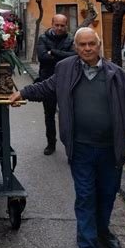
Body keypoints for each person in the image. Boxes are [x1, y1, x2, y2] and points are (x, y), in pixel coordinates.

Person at [10, 27, 125, 248]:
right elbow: (47, 87)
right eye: (81, 45)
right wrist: (23, 93)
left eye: (91, 44)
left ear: (99, 44)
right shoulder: (66, 69)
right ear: (76, 47)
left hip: (110, 149)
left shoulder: (117, 76)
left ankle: (102, 231)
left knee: (106, 195)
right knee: (85, 197)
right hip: (80, 148)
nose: (86, 49)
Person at [36, 14, 76, 155]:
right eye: (57, 25)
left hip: (67, 81)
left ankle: (70, 146)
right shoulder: (43, 38)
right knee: (49, 115)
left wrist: (53, 51)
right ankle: (51, 144)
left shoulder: (71, 39)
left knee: (68, 115)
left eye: (62, 25)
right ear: (52, 24)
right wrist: (62, 55)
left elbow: (74, 56)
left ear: (66, 25)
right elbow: (42, 57)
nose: (59, 28)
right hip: (47, 81)